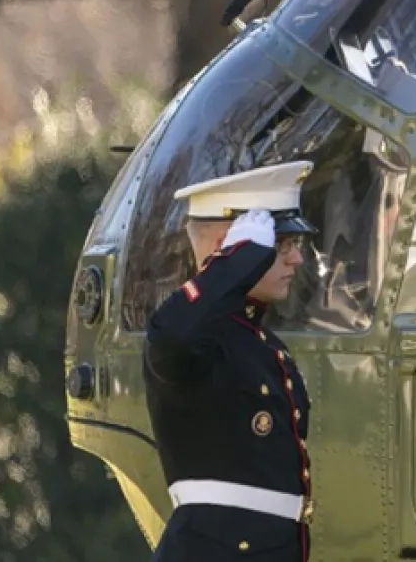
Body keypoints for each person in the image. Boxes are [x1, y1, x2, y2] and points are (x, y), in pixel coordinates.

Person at [144, 161, 320, 561]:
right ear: (233, 247)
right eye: (280, 247)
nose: (296, 261)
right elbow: (173, 334)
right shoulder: (192, 338)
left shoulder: (261, 344)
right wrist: (235, 264)